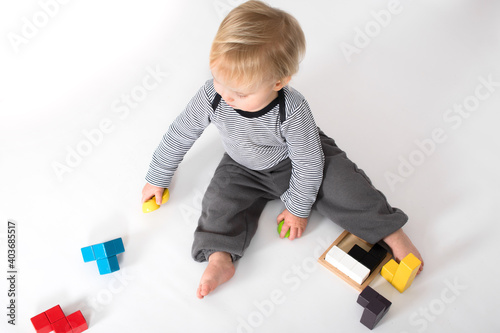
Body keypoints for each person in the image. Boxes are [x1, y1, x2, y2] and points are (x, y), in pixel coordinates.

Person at [141, 0, 423, 299]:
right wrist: (158, 175)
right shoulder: (213, 95)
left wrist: (297, 209)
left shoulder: (292, 109)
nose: (227, 96)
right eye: (219, 81)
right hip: (242, 166)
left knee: (346, 187)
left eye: (240, 93)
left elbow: (309, 164)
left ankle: (391, 231)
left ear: (279, 82)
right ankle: (220, 257)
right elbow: (181, 132)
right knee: (219, 201)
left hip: (298, 159)